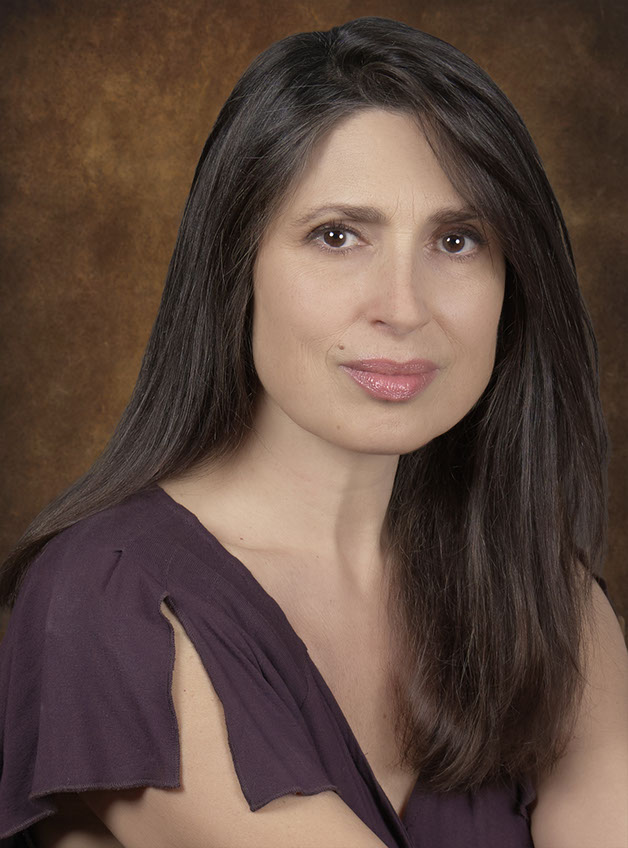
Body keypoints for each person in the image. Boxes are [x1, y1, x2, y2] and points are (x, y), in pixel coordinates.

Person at [0, 15, 626, 848]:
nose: (403, 306)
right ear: (237, 265)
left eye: (457, 239)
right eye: (338, 236)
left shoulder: (548, 598)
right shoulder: (112, 601)